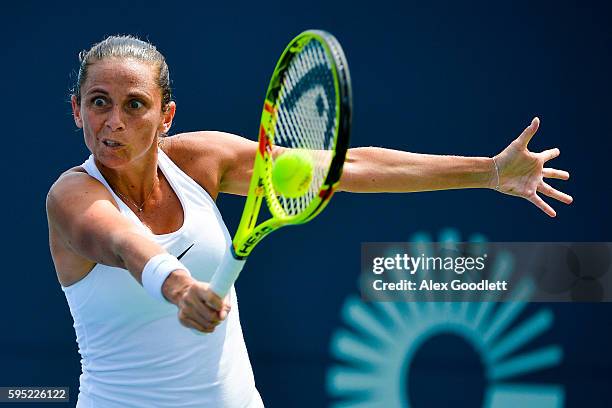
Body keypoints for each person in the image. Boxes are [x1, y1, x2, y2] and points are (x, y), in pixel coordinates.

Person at [46, 35, 572, 408]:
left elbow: (348, 166)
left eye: (135, 104)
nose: (114, 121)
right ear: (77, 110)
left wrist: (489, 172)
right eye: (99, 103)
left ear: (166, 117)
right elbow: (123, 244)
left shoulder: (203, 161)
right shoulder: (71, 196)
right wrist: (182, 288)